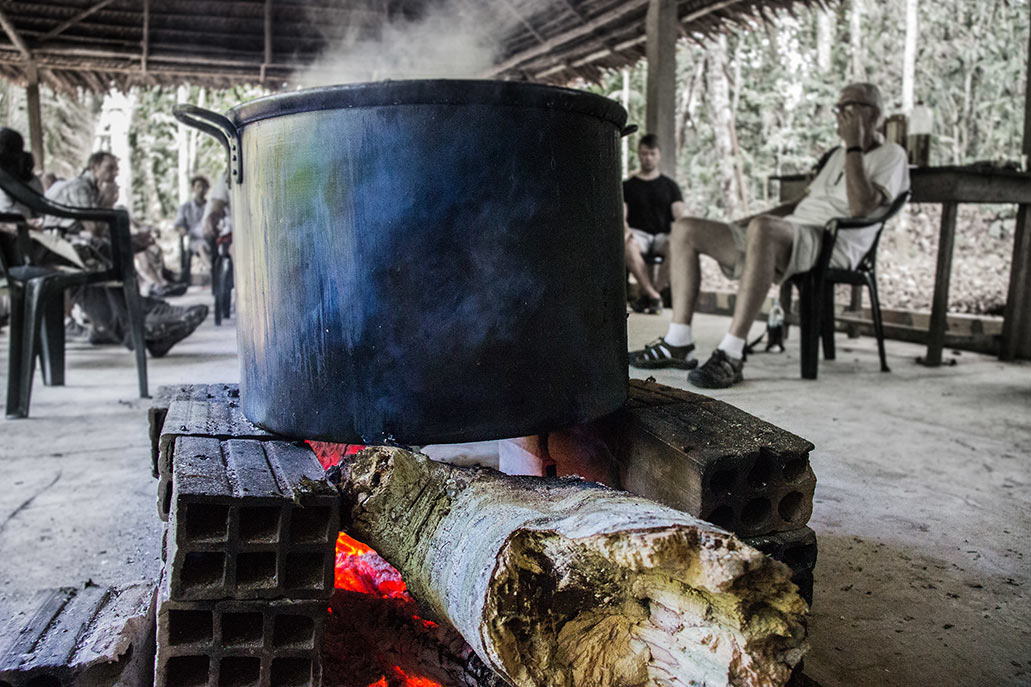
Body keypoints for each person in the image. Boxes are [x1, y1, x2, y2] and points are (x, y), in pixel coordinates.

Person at [630, 83, 909, 389]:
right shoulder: (836, 156)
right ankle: (677, 342)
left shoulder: (892, 154)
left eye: (849, 107)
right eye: (839, 108)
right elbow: (800, 203)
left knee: (764, 228)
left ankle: (731, 352)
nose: (840, 115)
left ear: (874, 114)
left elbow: (860, 208)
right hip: (788, 233)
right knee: (685, 228)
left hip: (831, 241)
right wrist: (750, 220)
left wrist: (854, 146)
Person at [42, 151, 208, 357]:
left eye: (116, 169)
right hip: (55, 249)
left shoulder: (90, 189)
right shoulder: (80, 187)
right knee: (109, 253)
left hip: (71, 250)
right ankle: (151, 314)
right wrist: (107, 202)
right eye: (109, 168)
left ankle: (147, 333)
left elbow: (97, 230)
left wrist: (134, 241)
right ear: (93, 167)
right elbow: (94, 229)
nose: (115, 173)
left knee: (106, 263)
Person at [623, 133, 685, 315]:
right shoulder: (628, 186)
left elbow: (680, 216)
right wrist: (626, 232)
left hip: (662, 236)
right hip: (638, 235)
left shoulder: (670, 186)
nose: (648, 158)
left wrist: (677, 232)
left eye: (652, 154)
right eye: (644, 153)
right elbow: (622, 216)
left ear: (658, 155)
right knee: (627, 246)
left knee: (677, 246)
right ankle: (654, 295)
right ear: (639, 155)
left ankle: (650, 295)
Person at [174, 175, 210, 274]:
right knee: (201, 247)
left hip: (211, 238)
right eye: (198, 186)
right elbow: (178, 225)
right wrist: (182, 229)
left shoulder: (210, 206)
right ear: (193, 188)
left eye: (204, 187)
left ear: (207, 189)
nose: (201, 189)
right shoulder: (186, 207)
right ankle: (210, 269)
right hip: (195, 240)